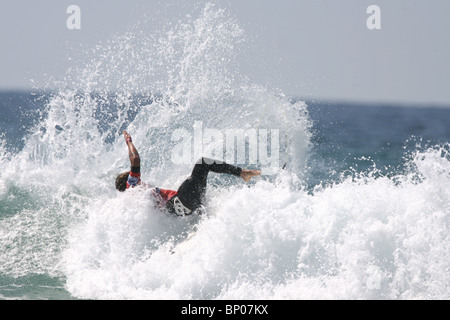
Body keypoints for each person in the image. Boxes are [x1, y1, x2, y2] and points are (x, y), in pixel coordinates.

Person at [115, 130, 261, 215]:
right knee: (202, 164)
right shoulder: (132, 185)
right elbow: (135, 159)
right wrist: (128, 141)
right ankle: (242, 173)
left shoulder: (133, 203)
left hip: (182, 211)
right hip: (178, 203)